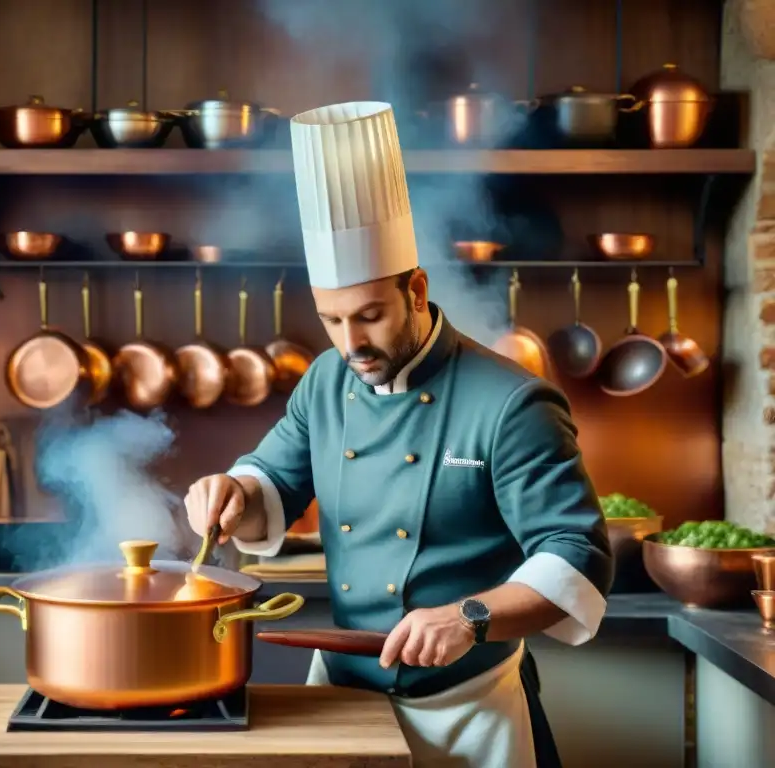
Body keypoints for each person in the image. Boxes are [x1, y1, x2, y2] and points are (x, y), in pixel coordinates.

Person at [184, 101, 614, 768]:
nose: (350, 343)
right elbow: (273, 481)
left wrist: (471, 617)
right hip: (343, 700)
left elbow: (578, 552)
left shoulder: (510, 401)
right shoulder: (326, 380)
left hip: (470, 709)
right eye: (331, 320)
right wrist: (233, 492)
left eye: (370, 316)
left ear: (416, 289)